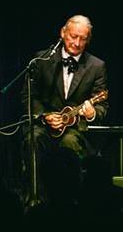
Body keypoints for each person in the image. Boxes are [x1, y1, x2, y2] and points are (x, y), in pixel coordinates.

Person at [22, 15, 108, 157]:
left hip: (75, 130)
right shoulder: (41, 60)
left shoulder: (97, 66)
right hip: (43, 126)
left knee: (70, 142)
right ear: (63, 33)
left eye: (83, 39)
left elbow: (102, 106)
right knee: (34, 138)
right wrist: (45, 116)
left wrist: (92, 113)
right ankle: (35, 180)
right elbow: (30, 96)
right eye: (73, 36)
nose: (77, 43)